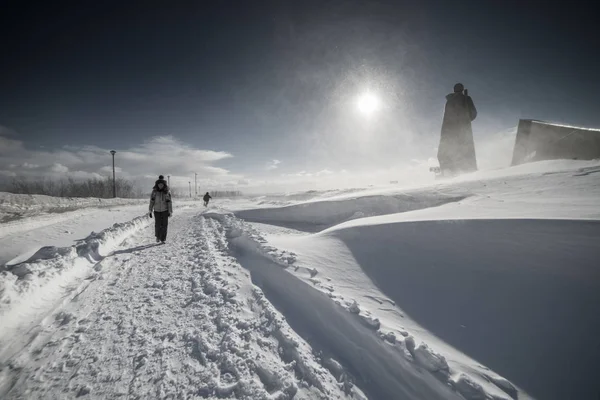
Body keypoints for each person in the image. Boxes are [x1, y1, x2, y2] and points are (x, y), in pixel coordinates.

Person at [437, 83, 478, 176]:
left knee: (447, 151)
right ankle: (461, 171)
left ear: (454, 90)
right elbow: (473, 113)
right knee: (464, 150)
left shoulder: (450, 100)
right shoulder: (466, 99)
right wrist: (466, 120)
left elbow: (446, 118)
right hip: (461, 129)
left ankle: (449, 171)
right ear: (462, 89)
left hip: (448, 130)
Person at [149, 175, 172, 243]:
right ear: (157, 185)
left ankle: (163, 239)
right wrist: (150, 210)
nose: (160, 186)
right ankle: (158, 237)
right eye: (159, 184)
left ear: (164, 185)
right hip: (157, 211)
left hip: (165, 210)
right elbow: (151, 201)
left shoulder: (167, 192)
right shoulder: (154, 192)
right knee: (158, 225)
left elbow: (169, 202)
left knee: (164, 225)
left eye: (162, 184)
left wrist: (170, 211)